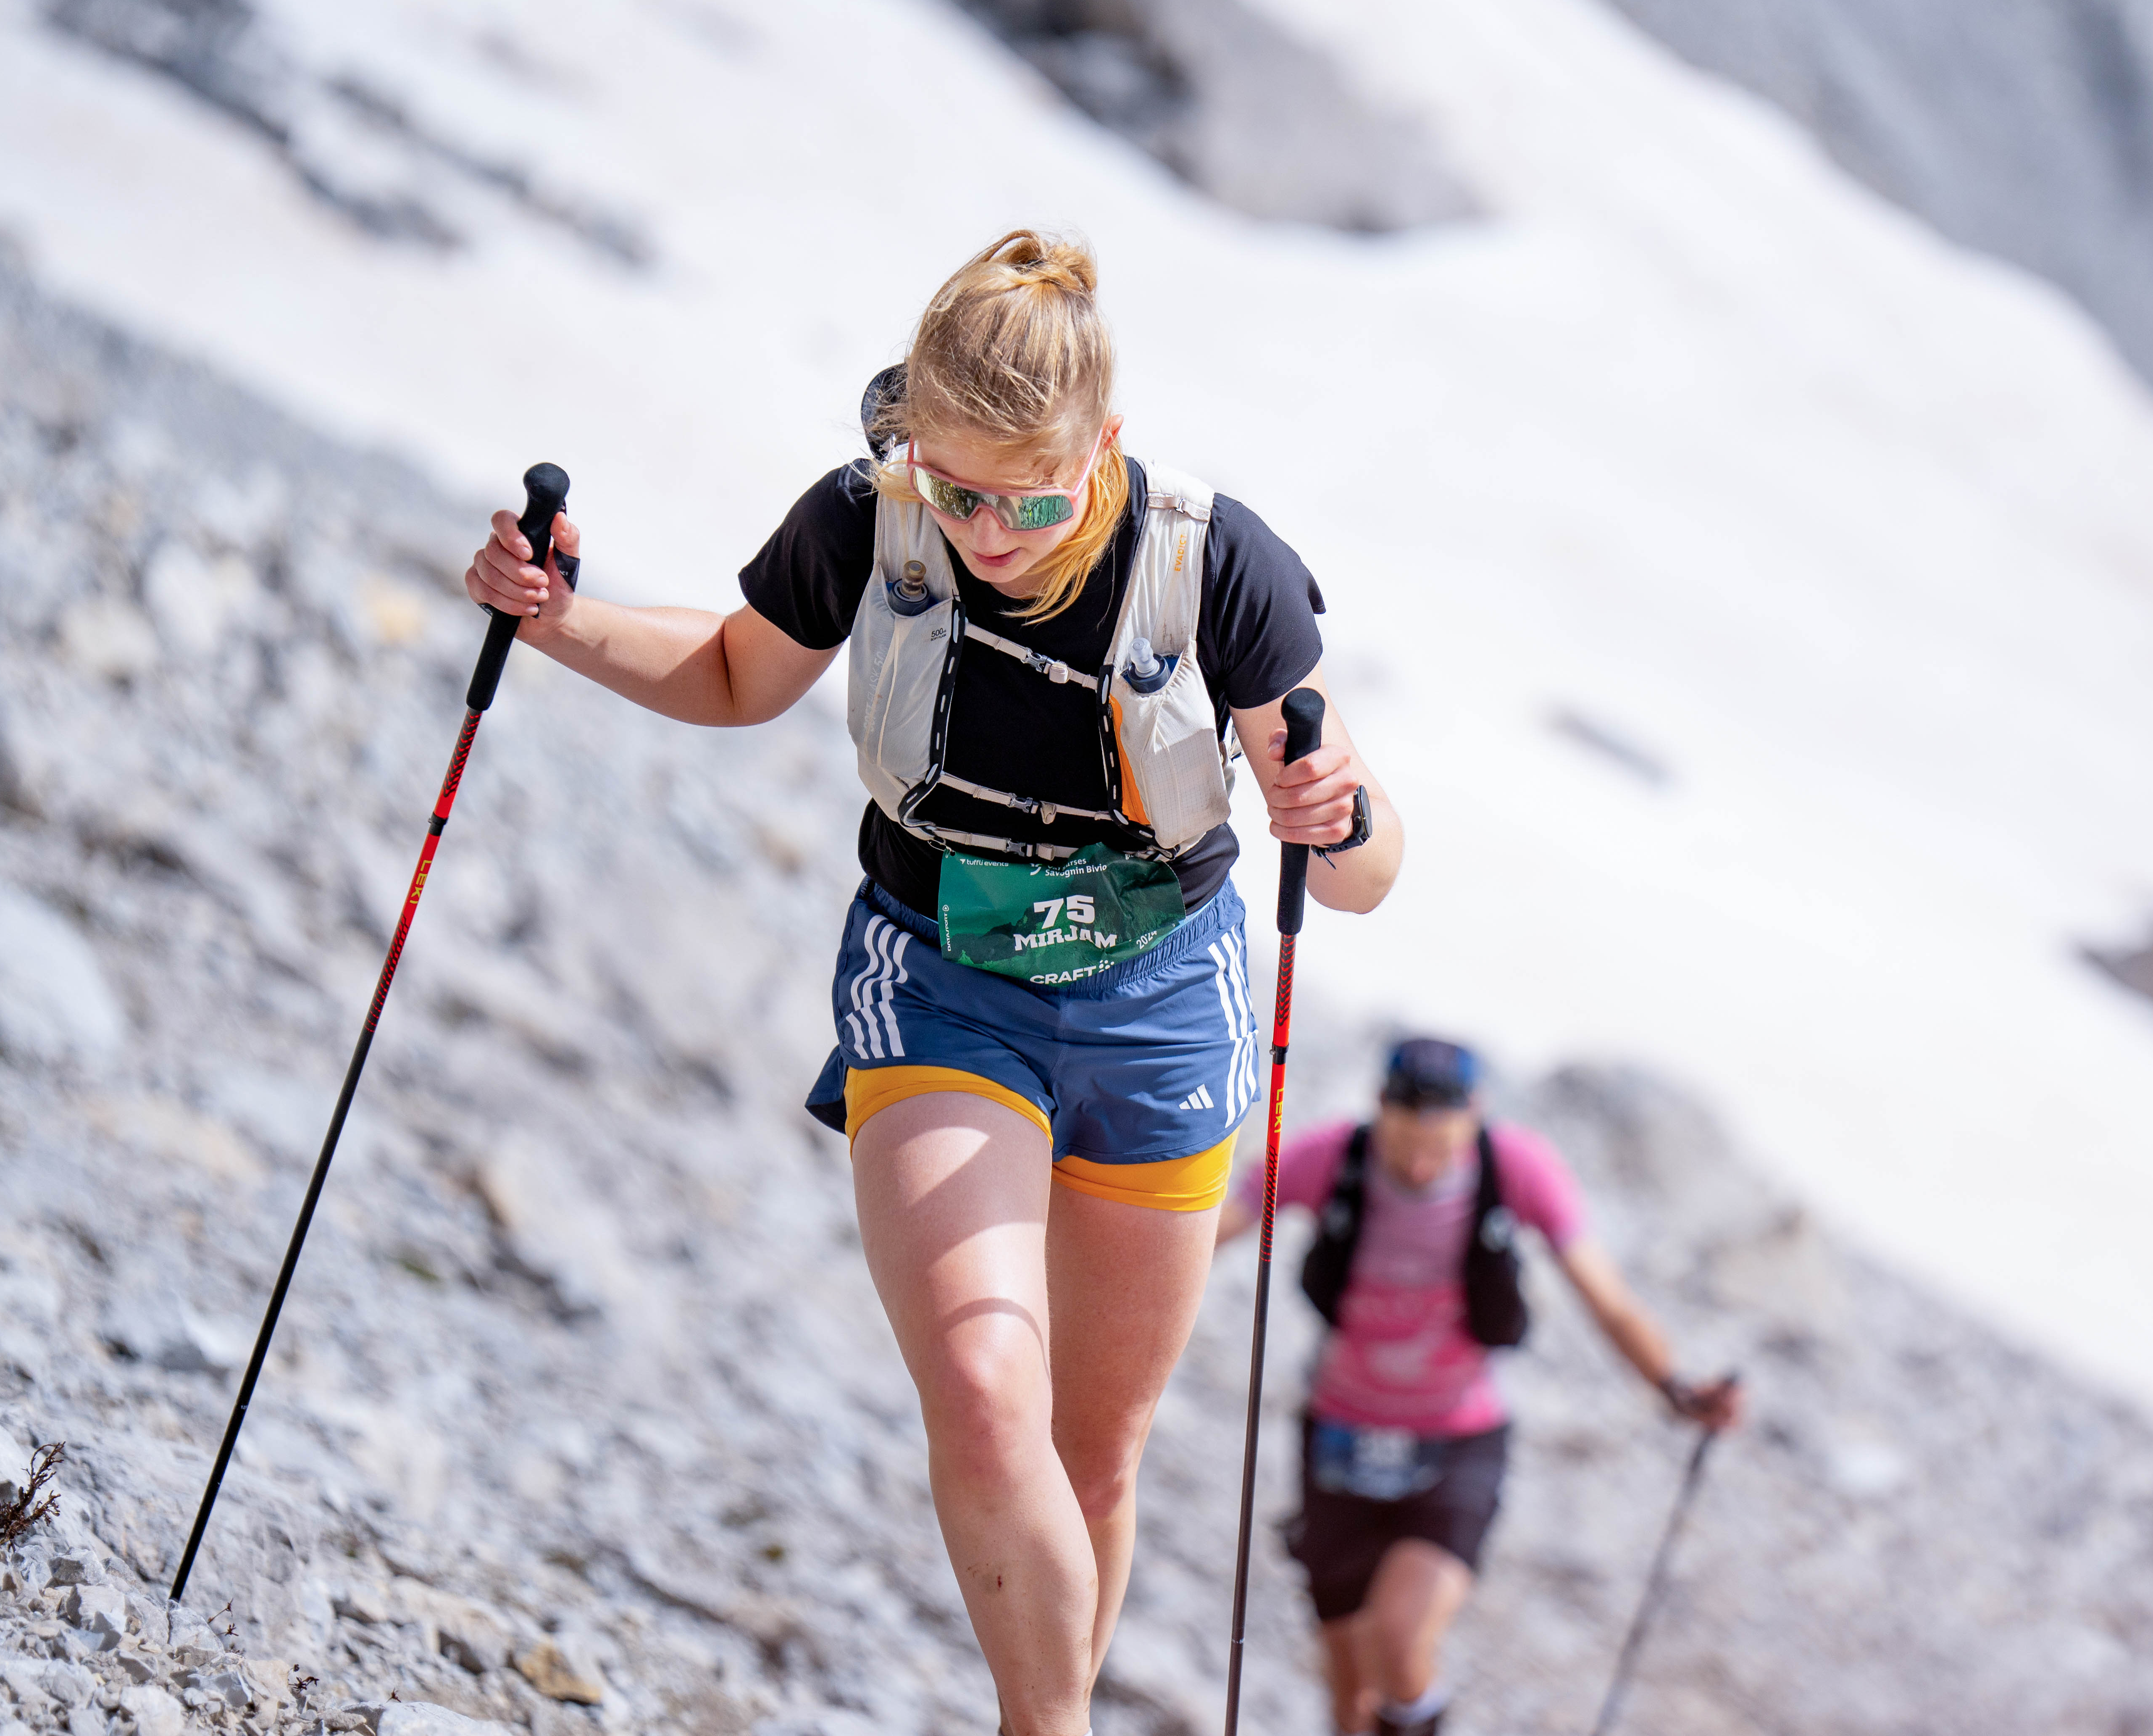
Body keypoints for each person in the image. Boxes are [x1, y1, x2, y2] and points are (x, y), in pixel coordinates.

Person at [464, 230, 1403, 1736]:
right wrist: (552, 614)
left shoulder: (1215, 563)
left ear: (1099, 444)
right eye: (949, 486)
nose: (982, 529)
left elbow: (1363, 867)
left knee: (1095, 1452)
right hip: (941, 977)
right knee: (980, 1386)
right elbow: (728, 677)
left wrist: (1334, 814)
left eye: (1021, 498)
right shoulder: (869, 520)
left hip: (1160, 1002)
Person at [1220, 1038, 1741, 1736]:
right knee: (1348, 1691)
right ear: (1380, 1113)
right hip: (1340, 1438)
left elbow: (1606, 1299)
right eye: (1406, 1145)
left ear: (1477, 1116)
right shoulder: (1331, 1156)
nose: (1421, 1164)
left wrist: (1676, 1387)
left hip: (1458, 1443)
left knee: (1400, 1639)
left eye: (1440, 1146)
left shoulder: (1516, 1167)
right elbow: (1221, 1219)